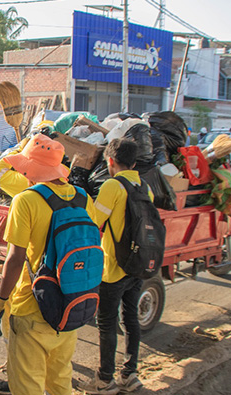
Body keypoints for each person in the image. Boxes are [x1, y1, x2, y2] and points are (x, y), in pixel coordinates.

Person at [0, 134, 95, 395]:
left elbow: (14, 260)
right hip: (71, 302)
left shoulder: (25, 200)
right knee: (60, 380)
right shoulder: (83, 198)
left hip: (32, 305)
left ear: (29, 168)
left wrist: (1, 301)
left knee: (27, 385)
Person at [80, 138, 152, 395]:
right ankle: (129, 375)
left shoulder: (113, 185)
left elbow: (94, 221)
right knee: (130, 319)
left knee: (107, 323)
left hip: (113, 267)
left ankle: (105, 380)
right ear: (134, 162)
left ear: (110, 161)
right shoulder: (145, 185)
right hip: (137, 265)